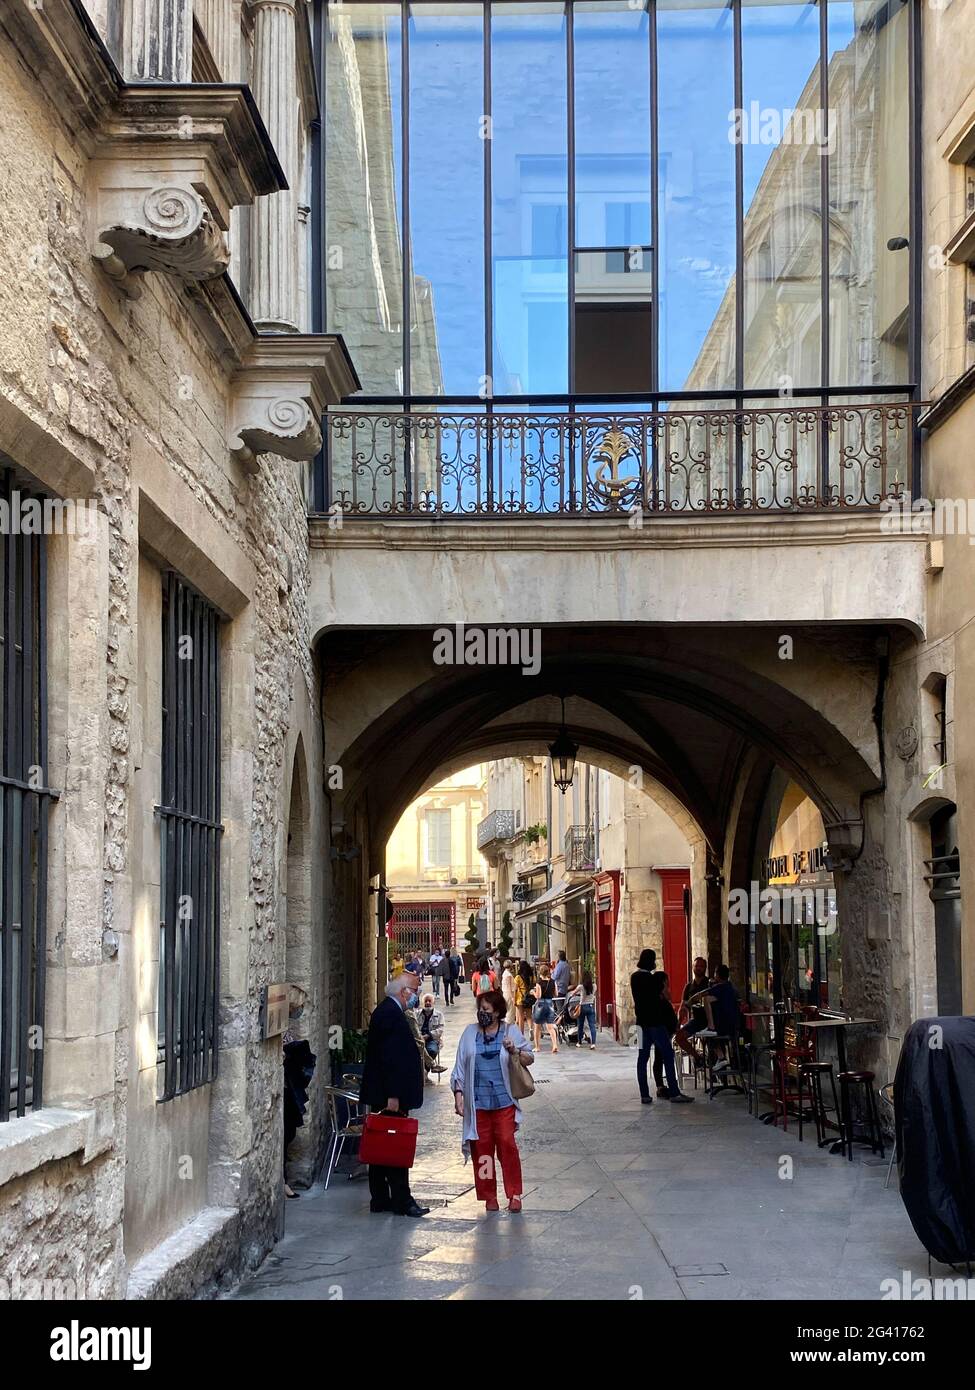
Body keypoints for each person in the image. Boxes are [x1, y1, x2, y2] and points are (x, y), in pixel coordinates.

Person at [450, 987, 534, 1213]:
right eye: (480, 1009)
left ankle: (514, 1193)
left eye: (486, 1009)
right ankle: (489, 1196)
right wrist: (458, 1095)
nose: (481, 1013)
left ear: (496, 1012)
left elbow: (530, 1057)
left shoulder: (510, 1031)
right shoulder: (469, 1033)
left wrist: (514, 1050)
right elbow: (459, 1068)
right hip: (478, 1105)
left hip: (503, 1103)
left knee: (507, 1145)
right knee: (483, 1151)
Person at [360, 973, 429, 1217]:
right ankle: (402, 1200)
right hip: (391, 1096)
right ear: (404, 992)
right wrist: (393, 1095)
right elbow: (389, 1058)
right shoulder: (390, 1014)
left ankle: (380, 1198)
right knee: (395, 1146)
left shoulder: (387, 1011)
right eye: (415, 990)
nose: (416, 995)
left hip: (387, 1092)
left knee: (381, 1145)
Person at [630, 956, 693, 1104]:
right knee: (668, 1055)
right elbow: (666, 996)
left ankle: (644, 1095)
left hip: (640, 1024)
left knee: (642, 1059)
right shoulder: (652, 980)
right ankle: (675, 1092)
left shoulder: (634, 978)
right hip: (656, 1024)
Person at [691, 964, 741, 1072]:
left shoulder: (719, 987)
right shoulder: (731, 988)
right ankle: (721, 1058)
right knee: (709, 1034)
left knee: (707, 1035)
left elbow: (701, 995)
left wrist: (690, 1000)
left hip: (723, 1025)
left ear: (717, 975)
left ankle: (720, 1055)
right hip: (734, 1025)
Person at [675, 957, 711, 1059]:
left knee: (712, 1041)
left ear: (705, 968)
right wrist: (678, 1023)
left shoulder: (709, 983)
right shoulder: (688, 986)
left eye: (701, 966)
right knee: (679, 1037)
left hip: (710, 1020)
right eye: (697, 966)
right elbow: (683, 1007)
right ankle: (698, 1058)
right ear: (693, 967)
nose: (699, 968)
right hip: (696, 1021)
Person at [531, 964, 559, 1054]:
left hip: (541, 1004)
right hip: (550, 1003)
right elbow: (556, 994)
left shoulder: (539, 983)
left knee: (537, 1026)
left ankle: (537, 1047)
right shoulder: (553, 981)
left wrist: (533, 992)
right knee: (550, 1026)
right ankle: (554, 1045)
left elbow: (538, 996)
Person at [568, 970, 597, 1049]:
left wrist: (576, 993)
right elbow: (592, 994)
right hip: (591, 1006)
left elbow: (573, 993)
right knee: (592, 1026)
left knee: (580, 1025)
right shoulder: (594, 986)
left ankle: (579, 1042)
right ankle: (593, 1043)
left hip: (582, 1007)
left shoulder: (581, 986)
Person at [415, 991, 445, 1067]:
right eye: (426, 1001)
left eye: (429, 1001)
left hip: (432, 1040)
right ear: (423, 1003)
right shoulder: (417, 1014)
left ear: (433, 1003)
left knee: (432, 1051)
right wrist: (420, 1036)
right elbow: (413, 1027)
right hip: (418, 1040)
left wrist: (429, 1035)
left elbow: (440, 1029)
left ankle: (425, 1071)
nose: (428, 1003)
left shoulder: (439, 1015)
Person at [514, 959, 534, 1033]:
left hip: (520, 998)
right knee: (529, 1015)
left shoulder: (518, 977)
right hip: (528, 997)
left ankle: (521, 1033)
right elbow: (533, 984)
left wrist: (514, 999)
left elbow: (515, 989)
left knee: (521, 1017)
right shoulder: (531, 976)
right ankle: (531, 1028)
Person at [500, 959, 517, 1024]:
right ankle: (509, 1026)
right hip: (509, 994)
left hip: (505, 993)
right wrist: (512, 997)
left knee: (508, 1010)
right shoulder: (508, 975)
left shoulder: (505, 973)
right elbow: (509, 987)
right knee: (510, 1011)